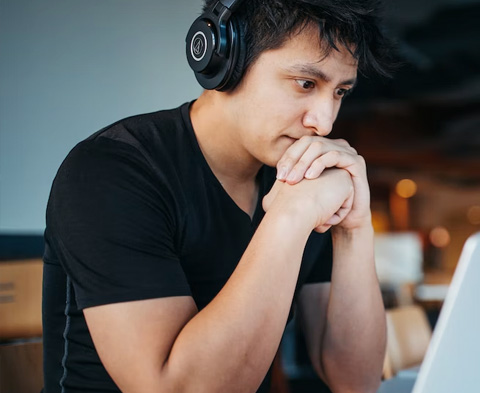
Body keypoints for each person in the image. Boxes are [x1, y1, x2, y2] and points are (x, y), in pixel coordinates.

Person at [41, 0, 396, 392]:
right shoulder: (112, 171)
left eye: (340, 91)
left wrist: (354, 228)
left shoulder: (303, 180)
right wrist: (290, 218)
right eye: (306, 84)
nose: (324, 121)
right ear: (226, 60)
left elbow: (356, 381)